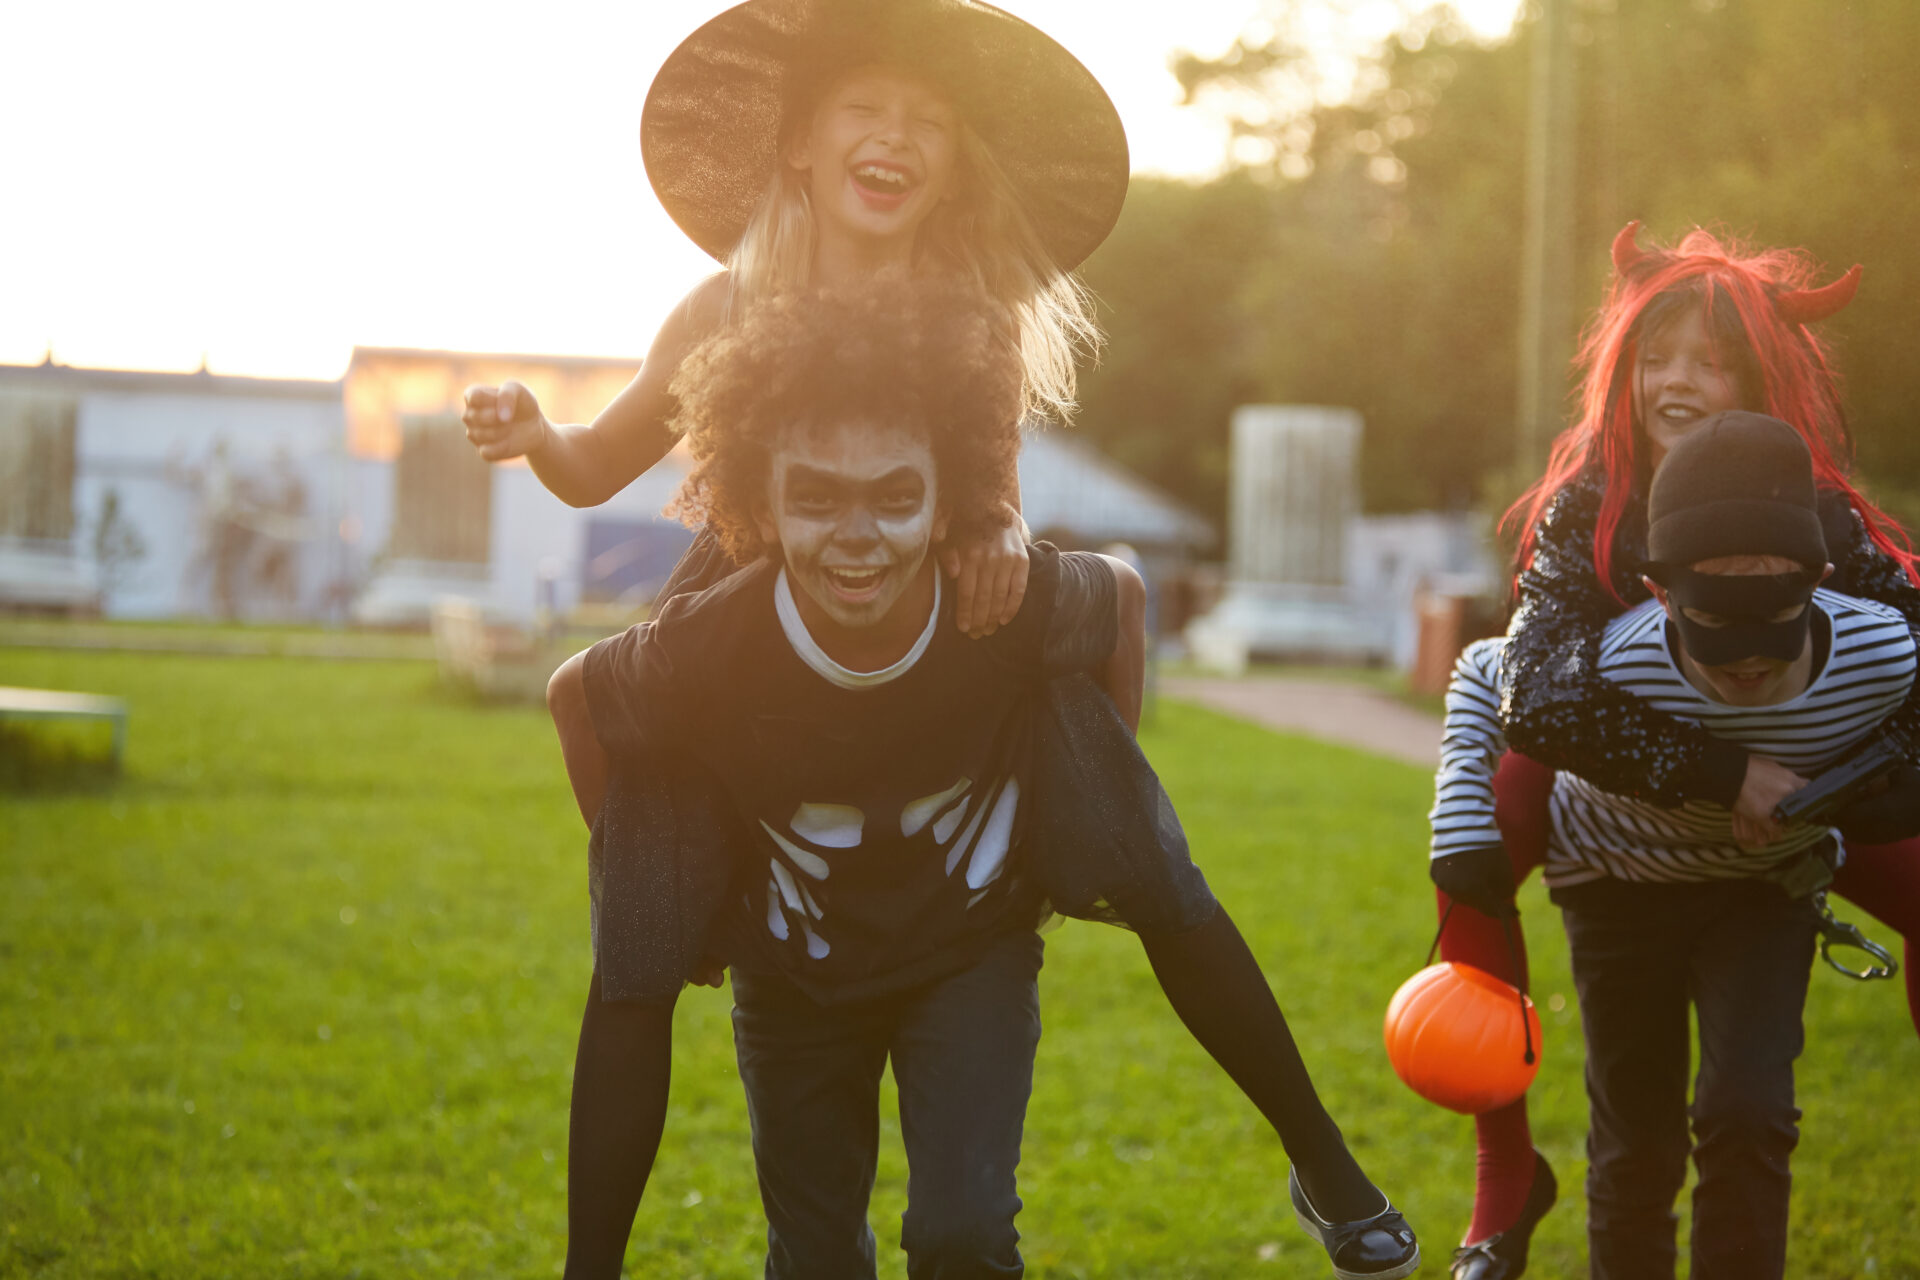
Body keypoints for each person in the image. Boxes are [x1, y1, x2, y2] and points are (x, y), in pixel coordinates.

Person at [551, 280, 1419, 1279]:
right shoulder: (717, 639)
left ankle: (1325, 1161)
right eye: (817, 497)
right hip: (796, 969)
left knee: (963, 1236)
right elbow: (578, 700)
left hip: (966, 950)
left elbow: (1122, 604)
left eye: (894, 495)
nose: (858, 532)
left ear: (948, 496)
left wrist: (1071, 811)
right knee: (817, 1252)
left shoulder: (997, 599)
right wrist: (677, 890)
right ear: (761, 503)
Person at [1426, 223, 1920, 1279]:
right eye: (1657, 354)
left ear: (1760, 374)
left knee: (1747, 1113)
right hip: (1618, 849)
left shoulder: (1819, 515)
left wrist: (1837, 790)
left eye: (1711, 355)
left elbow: (1906, 664)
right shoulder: (1587, 511)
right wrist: (1719, 772)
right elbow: (1535, 692)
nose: (1678, 379)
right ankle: (1504, 1177)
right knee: (1481, 836)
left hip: (1776, 841)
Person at [460, 0, 1127, 636]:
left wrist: (1005, 530)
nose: (894, 135)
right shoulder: (723, 310)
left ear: (952, 174)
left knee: (1109, 605)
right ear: (802, 144)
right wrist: (540, 434)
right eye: (864, 108)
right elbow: (596, 466)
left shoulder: (981, 325)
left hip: (910, 609)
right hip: (745, 620)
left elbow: (990, 504)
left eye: (928, 123)